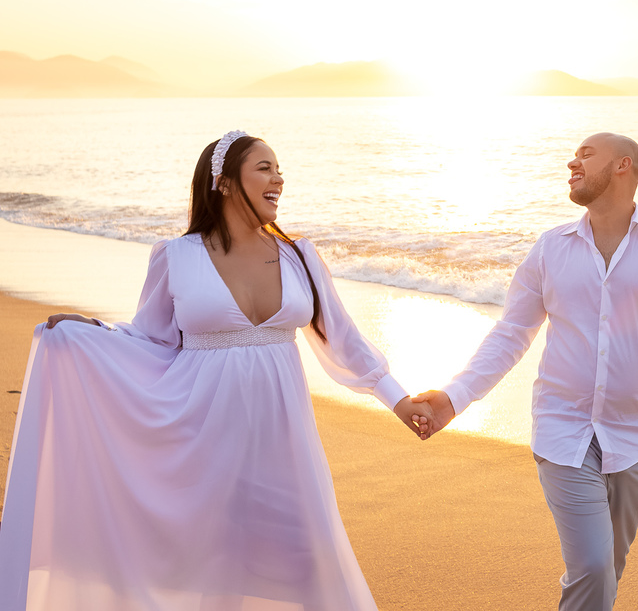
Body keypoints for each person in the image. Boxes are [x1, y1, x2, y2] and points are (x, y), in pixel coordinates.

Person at [0, 130, 431, 611]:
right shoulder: (176, 256)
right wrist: (92, 333)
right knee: (213, 563)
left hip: (281, 439)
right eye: (264, 168)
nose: (278, 179)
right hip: (199, 433)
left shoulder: (299, 256)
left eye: (280, 169)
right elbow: (151, 339)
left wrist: (397, 398)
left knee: (310, 558)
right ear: (224, 182)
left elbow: (344, 338)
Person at [412, 132, 638, 611]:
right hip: (562, 431)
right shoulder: (551, 248)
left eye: (586, 155)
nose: (573, 162)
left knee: (605, 574)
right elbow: (512, 332)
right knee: (593, 567)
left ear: (623, 166)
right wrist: (455, 397)